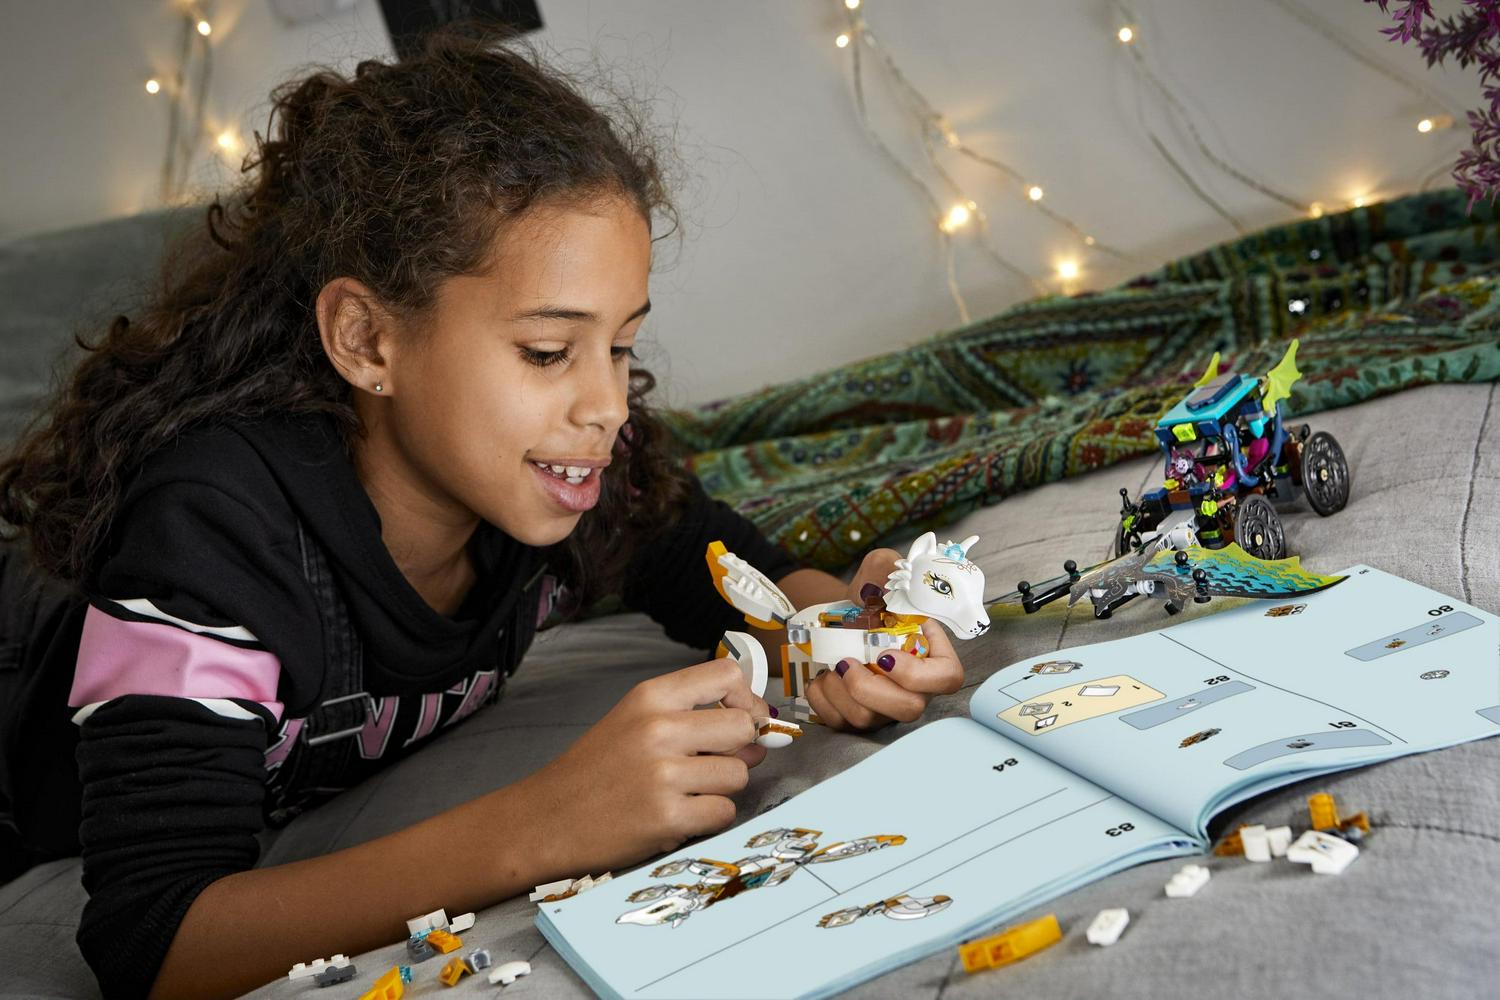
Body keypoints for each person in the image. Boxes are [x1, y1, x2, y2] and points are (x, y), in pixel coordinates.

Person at [0, 27, 965, 1000]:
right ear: (366, 339)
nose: (607, 407)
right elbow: (155, 941)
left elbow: (706, 557)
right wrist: (549, 822)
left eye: (620, 347)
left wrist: (835, 628)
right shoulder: (214, 535)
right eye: (548, 352)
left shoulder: (562, 468)